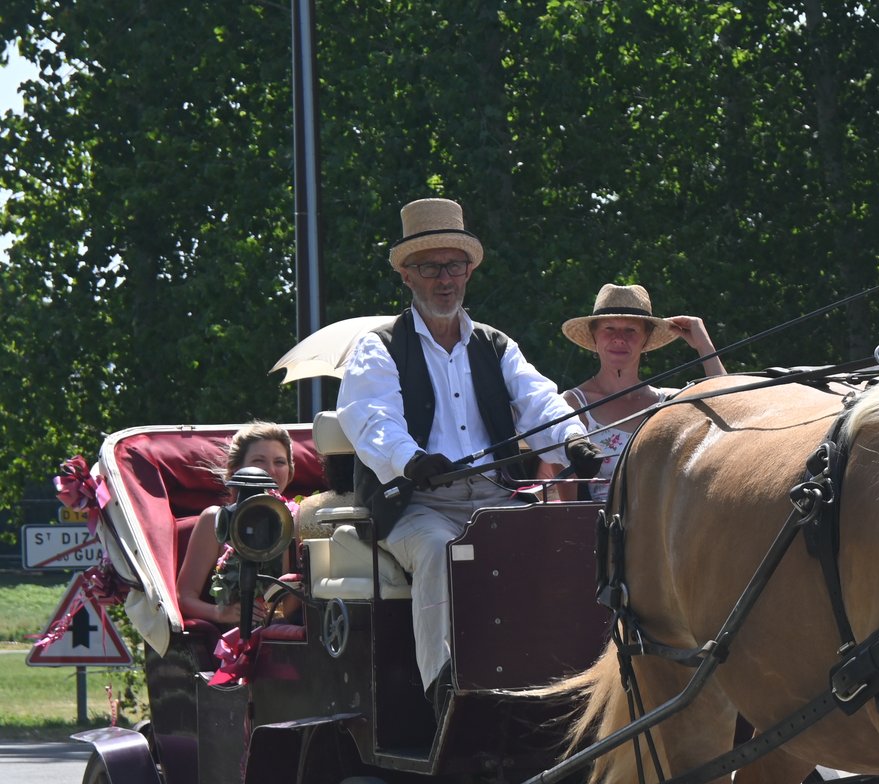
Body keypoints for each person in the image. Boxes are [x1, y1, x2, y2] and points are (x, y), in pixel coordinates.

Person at [334, 197, 594, 710]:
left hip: (493, 498)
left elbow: (537, 399)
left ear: (469, 272)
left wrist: (571, 439)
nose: (444, 279)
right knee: (438, 551)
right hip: (416, 505)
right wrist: (411, 461)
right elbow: (370, 417)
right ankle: (445, 691)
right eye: (430, 268)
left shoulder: (496, 346)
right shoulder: (379, 346)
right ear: (406, 276)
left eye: (454, 266)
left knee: (557, 543)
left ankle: (560, 680)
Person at [558, 282, 725, 501]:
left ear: (645, 339)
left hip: (664, 529)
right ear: (594, 336)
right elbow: (564, 497)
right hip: (600, 528)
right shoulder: (573, 404)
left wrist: (704, 345)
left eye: (631, 330)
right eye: (609, 328)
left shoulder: (668, 402)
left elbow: (727, 405)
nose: (619, 338)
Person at [175, 421, 300, 630]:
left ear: (290, 470)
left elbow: (293, 603)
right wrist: (221, 613)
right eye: (259, 461)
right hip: (231, 636)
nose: (270, 471)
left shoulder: (300, 518)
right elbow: (184, 596)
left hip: (283, 634)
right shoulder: (214, 519)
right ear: (235, 470)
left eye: (280, 462)